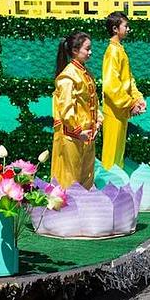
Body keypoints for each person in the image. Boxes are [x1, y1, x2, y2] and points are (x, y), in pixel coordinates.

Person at [51, 31, 101, 189]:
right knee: (70, 178)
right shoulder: (68, 77)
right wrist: (78, 130)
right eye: (87, 49)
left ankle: (85, 210)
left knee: (86, 176)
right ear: (75, 51)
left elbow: (92, 101)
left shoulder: (85, 73)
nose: (90, 52)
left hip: (87, 133)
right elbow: (66, 109)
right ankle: (68, 212)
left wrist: (98, 120)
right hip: (73, 135)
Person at [100, 12, 146, 170]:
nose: (128, 29)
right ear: (115, 29)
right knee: (111, 156)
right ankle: (106, 190)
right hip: (114, 111)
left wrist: (137, 98)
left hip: (120, 110)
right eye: (125, 26)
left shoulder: (119, 50)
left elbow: (128, 79)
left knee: (118, 154)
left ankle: (114, 190)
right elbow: (111, 86)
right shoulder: (112, 51)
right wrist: (130, 104)